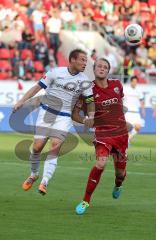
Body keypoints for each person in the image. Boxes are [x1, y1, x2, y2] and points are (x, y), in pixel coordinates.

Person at [13, 49, 95, 195]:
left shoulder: (85, 81)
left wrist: (91, 116)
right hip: (46, 113)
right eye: (82, 59)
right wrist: (21, 101)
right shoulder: (55, 72)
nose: (85, 63)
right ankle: (34, 174)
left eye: (86, 60)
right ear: (72, 60)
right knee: (37, 148)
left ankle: (44, 182)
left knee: (55, 146)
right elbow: (37, 87)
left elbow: (90, 100)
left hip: (64, 116)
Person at [72, 58, 128, 215]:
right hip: (102, 134)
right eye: (99, 66)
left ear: (108, 71)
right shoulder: (87, 90)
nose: (102, 69)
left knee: (120, 174)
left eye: (105, 67)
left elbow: (121, 104)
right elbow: (74, 114)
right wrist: (85, 120)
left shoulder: (117, 85)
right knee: (100, 164)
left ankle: (118, 184)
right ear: (94, 70)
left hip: (121, 134)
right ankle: (85, 201)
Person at [124, 75, 145, 141]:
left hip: (136, 112)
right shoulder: (126, 89)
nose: (134, 83)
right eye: (133, 81)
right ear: (131, 82)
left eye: (136, 82)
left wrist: (143, 110)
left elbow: (141, 101)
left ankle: (128, 139)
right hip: (128, 112)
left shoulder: (139, 91)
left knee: (138, 127)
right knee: (126, 128)